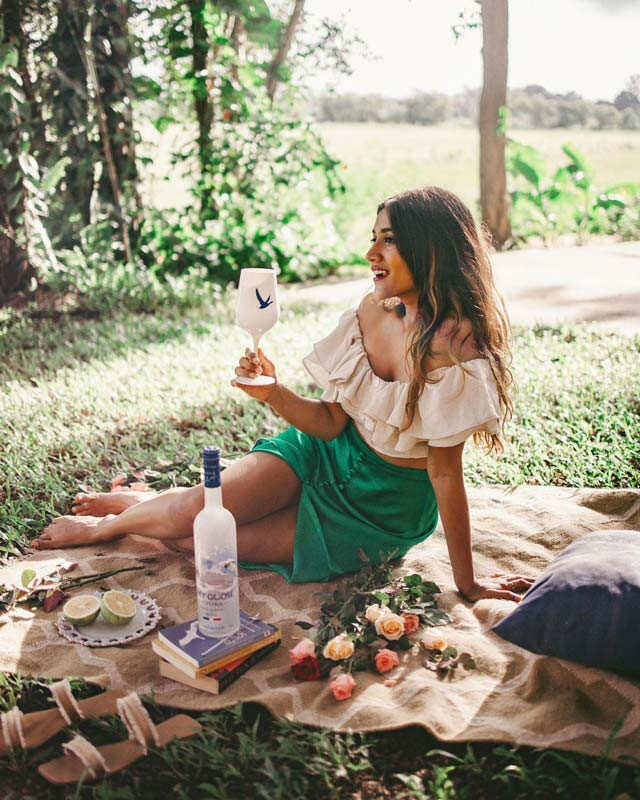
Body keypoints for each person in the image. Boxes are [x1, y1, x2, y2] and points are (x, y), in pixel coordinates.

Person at [33, 187, 533, 602]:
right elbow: (333, 422)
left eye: (389, 241)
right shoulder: (371, 312)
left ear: (432, 251)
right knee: (195, 513)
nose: (371, 255)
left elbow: (445, 474)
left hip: (381, 509)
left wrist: (467, 583)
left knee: (202, 542)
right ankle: (112, 524)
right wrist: (273, 392)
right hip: (323, 453)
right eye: (373, 238)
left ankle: (141, 506)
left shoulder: (457, 352)